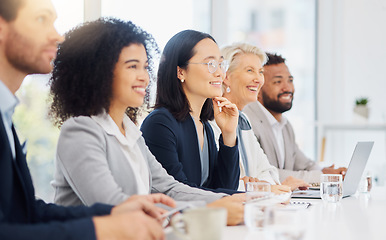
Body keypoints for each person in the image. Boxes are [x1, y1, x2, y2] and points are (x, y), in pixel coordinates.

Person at [0, 0, 177, 240]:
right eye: (41, 19)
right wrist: (101, 228)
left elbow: (28, 212)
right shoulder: (82, 129)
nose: (58, 37)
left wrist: (114, 212)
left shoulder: (6, 116)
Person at [49, 18, 244, 226]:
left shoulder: (130, 132)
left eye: (145, 67)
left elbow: (169, 188)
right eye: (133, 66)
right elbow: (115, 208)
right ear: (100, 71)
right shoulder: (80, 132)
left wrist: (231, 200)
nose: (144, 77)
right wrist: (207, 210)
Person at [140, 30, 240, 194]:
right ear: (180, 72)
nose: (219, 73)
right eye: (210, 64)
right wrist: (248, 198)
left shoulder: (204, 126)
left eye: (221, 64)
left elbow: (225, 188)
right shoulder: (160, 123)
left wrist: (229, 134)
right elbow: (180, 193)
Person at [210, 43, 309, 191]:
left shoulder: (243, 120)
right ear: (226, 77)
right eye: (250, 71)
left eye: (260, 72)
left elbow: (269, 172)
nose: (258, 79)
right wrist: (257, 187)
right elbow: (222, 183)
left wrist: (257, 185)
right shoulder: (211, 121)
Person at [243, 53, 347, 183]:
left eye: (290, 80)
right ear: (258, 88)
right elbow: (266, 174)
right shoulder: (247, 121)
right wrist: (322, 177)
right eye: (278, 81)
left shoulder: (285, 126)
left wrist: (329, 173)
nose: (287, 88)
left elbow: (305, 164)